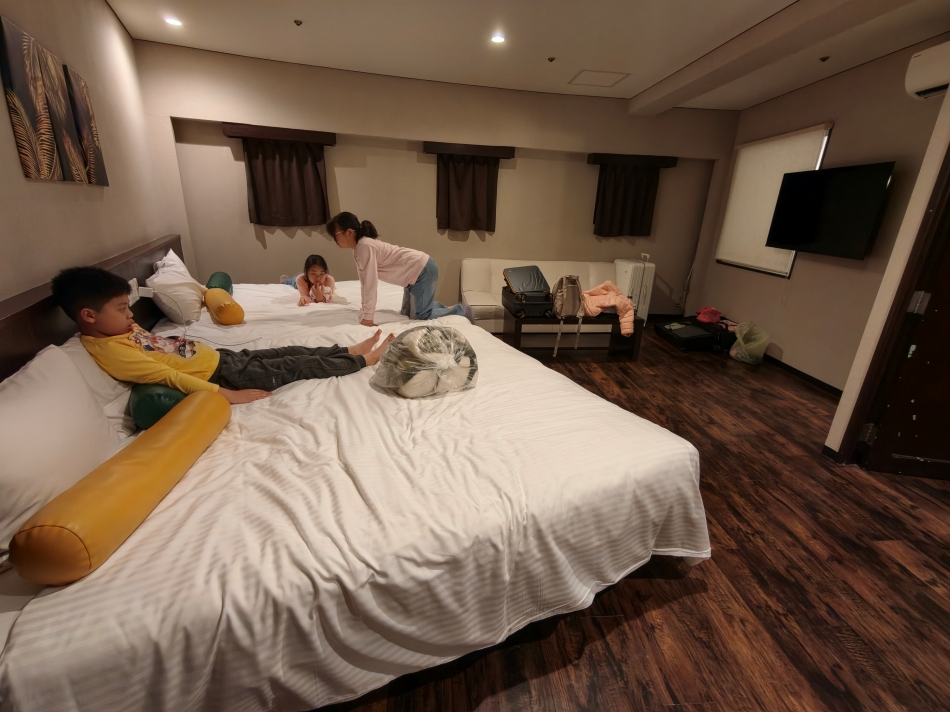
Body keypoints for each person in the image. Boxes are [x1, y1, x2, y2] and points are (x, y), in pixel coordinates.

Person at [51, 267, 394, 405]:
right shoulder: (112, 350)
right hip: (222, 375)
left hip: (221, 358)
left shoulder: (120, 330)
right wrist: (228, 396)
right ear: (89, 316)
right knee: (295, 366)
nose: (130, 315)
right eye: (122, 309)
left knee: (287, 350)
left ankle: (348, 348)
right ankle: (361, 361)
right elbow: (168, 376)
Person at [327, 211, 472, 327]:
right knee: (406, 314)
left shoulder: (365, 246)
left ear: (349, 232)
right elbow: (364, 282)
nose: (334, 239)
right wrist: (365, 309)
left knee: (420, 316)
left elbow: (371, 282)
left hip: (422, 270)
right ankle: (439, 306)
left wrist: (369, 316)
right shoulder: (358, 250)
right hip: (412, 276)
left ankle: (460, 310)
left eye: (335, 235)